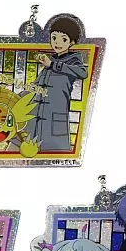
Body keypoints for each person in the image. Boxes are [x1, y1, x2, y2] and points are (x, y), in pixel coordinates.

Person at [25, 17, 88, 151]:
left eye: (63, 39)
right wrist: (19, 97)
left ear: (72, 42)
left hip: (54, 121)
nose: (57, 43)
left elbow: (83, 73)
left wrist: (53, 64)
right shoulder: (49, 62)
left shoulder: (73, 61)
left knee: (53, 151)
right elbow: (36, 86)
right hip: (36, 119)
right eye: (54, 38)